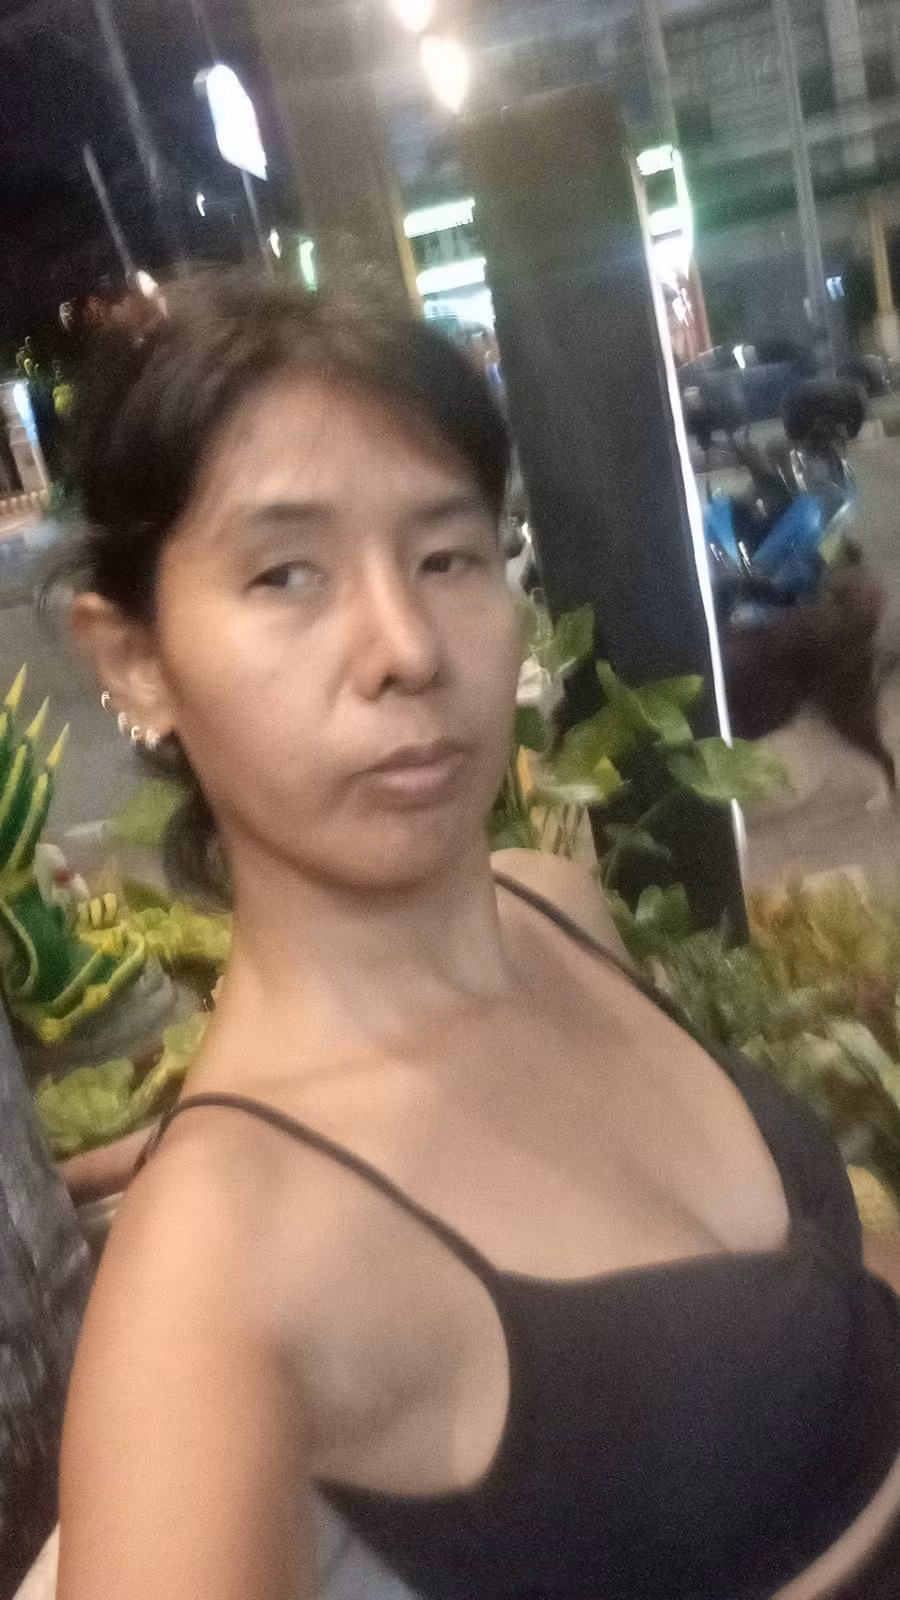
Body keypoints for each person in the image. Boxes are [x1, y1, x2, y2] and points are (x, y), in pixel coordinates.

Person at [59, 274, 900, 1600]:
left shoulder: (551, 909)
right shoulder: (214, 1267)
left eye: (448, 555)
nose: (404, 645)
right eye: (286, 574)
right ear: (134, 662)